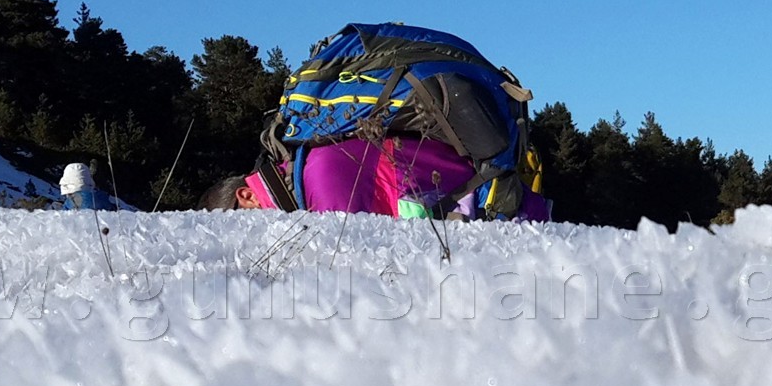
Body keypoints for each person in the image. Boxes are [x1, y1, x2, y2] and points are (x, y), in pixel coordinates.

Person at [199, 134, 549, 221]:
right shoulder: (309, 164)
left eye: (241, 222)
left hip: (482, 199)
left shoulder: (317, 194)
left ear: (246, 196)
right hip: (471, 180)